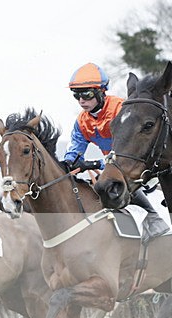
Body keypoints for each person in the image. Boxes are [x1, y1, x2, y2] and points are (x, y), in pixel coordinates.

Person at [64, 62, 169, 241]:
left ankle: (153, 216)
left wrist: (99, 164)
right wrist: (68, 164)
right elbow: (75, 148)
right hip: (116, 162)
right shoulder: (82, 121)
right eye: (77, 95)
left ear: (101, 92)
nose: (82, 100)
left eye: (87, 94)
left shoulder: (121, 109)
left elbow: (131, 149)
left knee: (115, 177)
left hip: (135, 162)